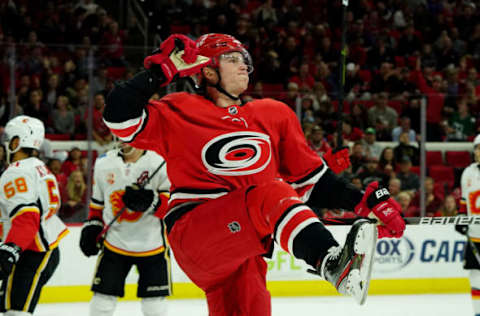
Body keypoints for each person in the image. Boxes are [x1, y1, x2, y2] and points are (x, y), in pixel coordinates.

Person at [103, 33, 405, 315]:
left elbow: (312, 181)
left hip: (246, 246)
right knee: (271, 191)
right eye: (232, 59)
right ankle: (330, 261)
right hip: (196, 232)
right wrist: (158, 74)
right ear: (207, 72)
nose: (243, 65)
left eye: (243, 58)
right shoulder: (178, 108)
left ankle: (330, 259)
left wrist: (365, 202)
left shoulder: (274, 114)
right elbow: (118, 118)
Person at [79, 141, 171, 316]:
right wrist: (92, 226)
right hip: (114, 243)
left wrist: (151, 202)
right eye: (117, 132)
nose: (120, 137)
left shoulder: (159, 162)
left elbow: (172, 207)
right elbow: (97, 204)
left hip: (152, 245)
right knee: (102, 302)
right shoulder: (103, 163)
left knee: (155, 307)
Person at [0, 115, 68, 315]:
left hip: (32, 252)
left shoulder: (16, 172)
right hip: (43, 248)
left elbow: (27, 219)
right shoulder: (40, 168)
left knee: (16, 312)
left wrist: (11, 249)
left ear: (15, 142)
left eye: (7, 139)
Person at [456, 134, 480, 316]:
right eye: (478, 148)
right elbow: (464, 201)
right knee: (476, 279)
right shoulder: (468, 172)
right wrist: (461, 218)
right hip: (474, 234)